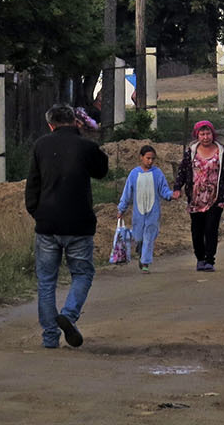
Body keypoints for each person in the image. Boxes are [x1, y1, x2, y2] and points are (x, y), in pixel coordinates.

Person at [25, 102, 111, 349]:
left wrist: (37, 212)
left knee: (46, 281)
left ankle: (50, 337)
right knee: (82, 273)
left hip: (48, 224)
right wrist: (88, 139)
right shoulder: (85, 146)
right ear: (75, 122)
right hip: (79, 224)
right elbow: (101, 171)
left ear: (50, 124)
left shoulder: (41, 145)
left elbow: (33, 185)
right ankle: (69, 314)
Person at [175, 120, 224, 271]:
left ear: (213, 134)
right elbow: (182, 171)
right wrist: (177, 188)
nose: (206, 137)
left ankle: (209, 260)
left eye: (208, 133)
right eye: (202, 134)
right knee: (197, 230)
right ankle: (200, 258)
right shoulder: (191, 152)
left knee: (211, 229)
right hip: (195, 199)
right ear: (197, 135)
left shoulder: (221, 151)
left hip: (215, 198)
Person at [117, 145, 179, 273]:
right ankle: (140, 250)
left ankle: (145, 262)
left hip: (153, 212)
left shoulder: (157, 173)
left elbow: (163, 190)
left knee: (149, 237)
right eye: (148, 158)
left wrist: (171, 195)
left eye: (152, 159)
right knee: (138, 237)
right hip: (138, 212)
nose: (150, 161)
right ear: (141, 157)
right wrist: (121, 208)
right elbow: (127, 193)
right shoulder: (134, 174)